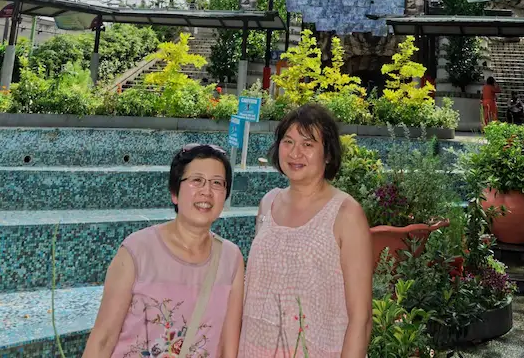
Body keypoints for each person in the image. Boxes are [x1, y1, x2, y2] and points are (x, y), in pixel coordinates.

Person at [82, 144, 244, 358]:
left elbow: (228, 348)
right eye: (197, 181)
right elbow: (103, 339)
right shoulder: (137, 250)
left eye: (217, 183)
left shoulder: (231, 258)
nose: (207, 191)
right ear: (174, 193)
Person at [239, 103, 372, 358]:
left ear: (328, 154)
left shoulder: (345, 214)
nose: (295, 153)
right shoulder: (268, 203)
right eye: (288, 142)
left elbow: (361, 318)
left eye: (308, 144)